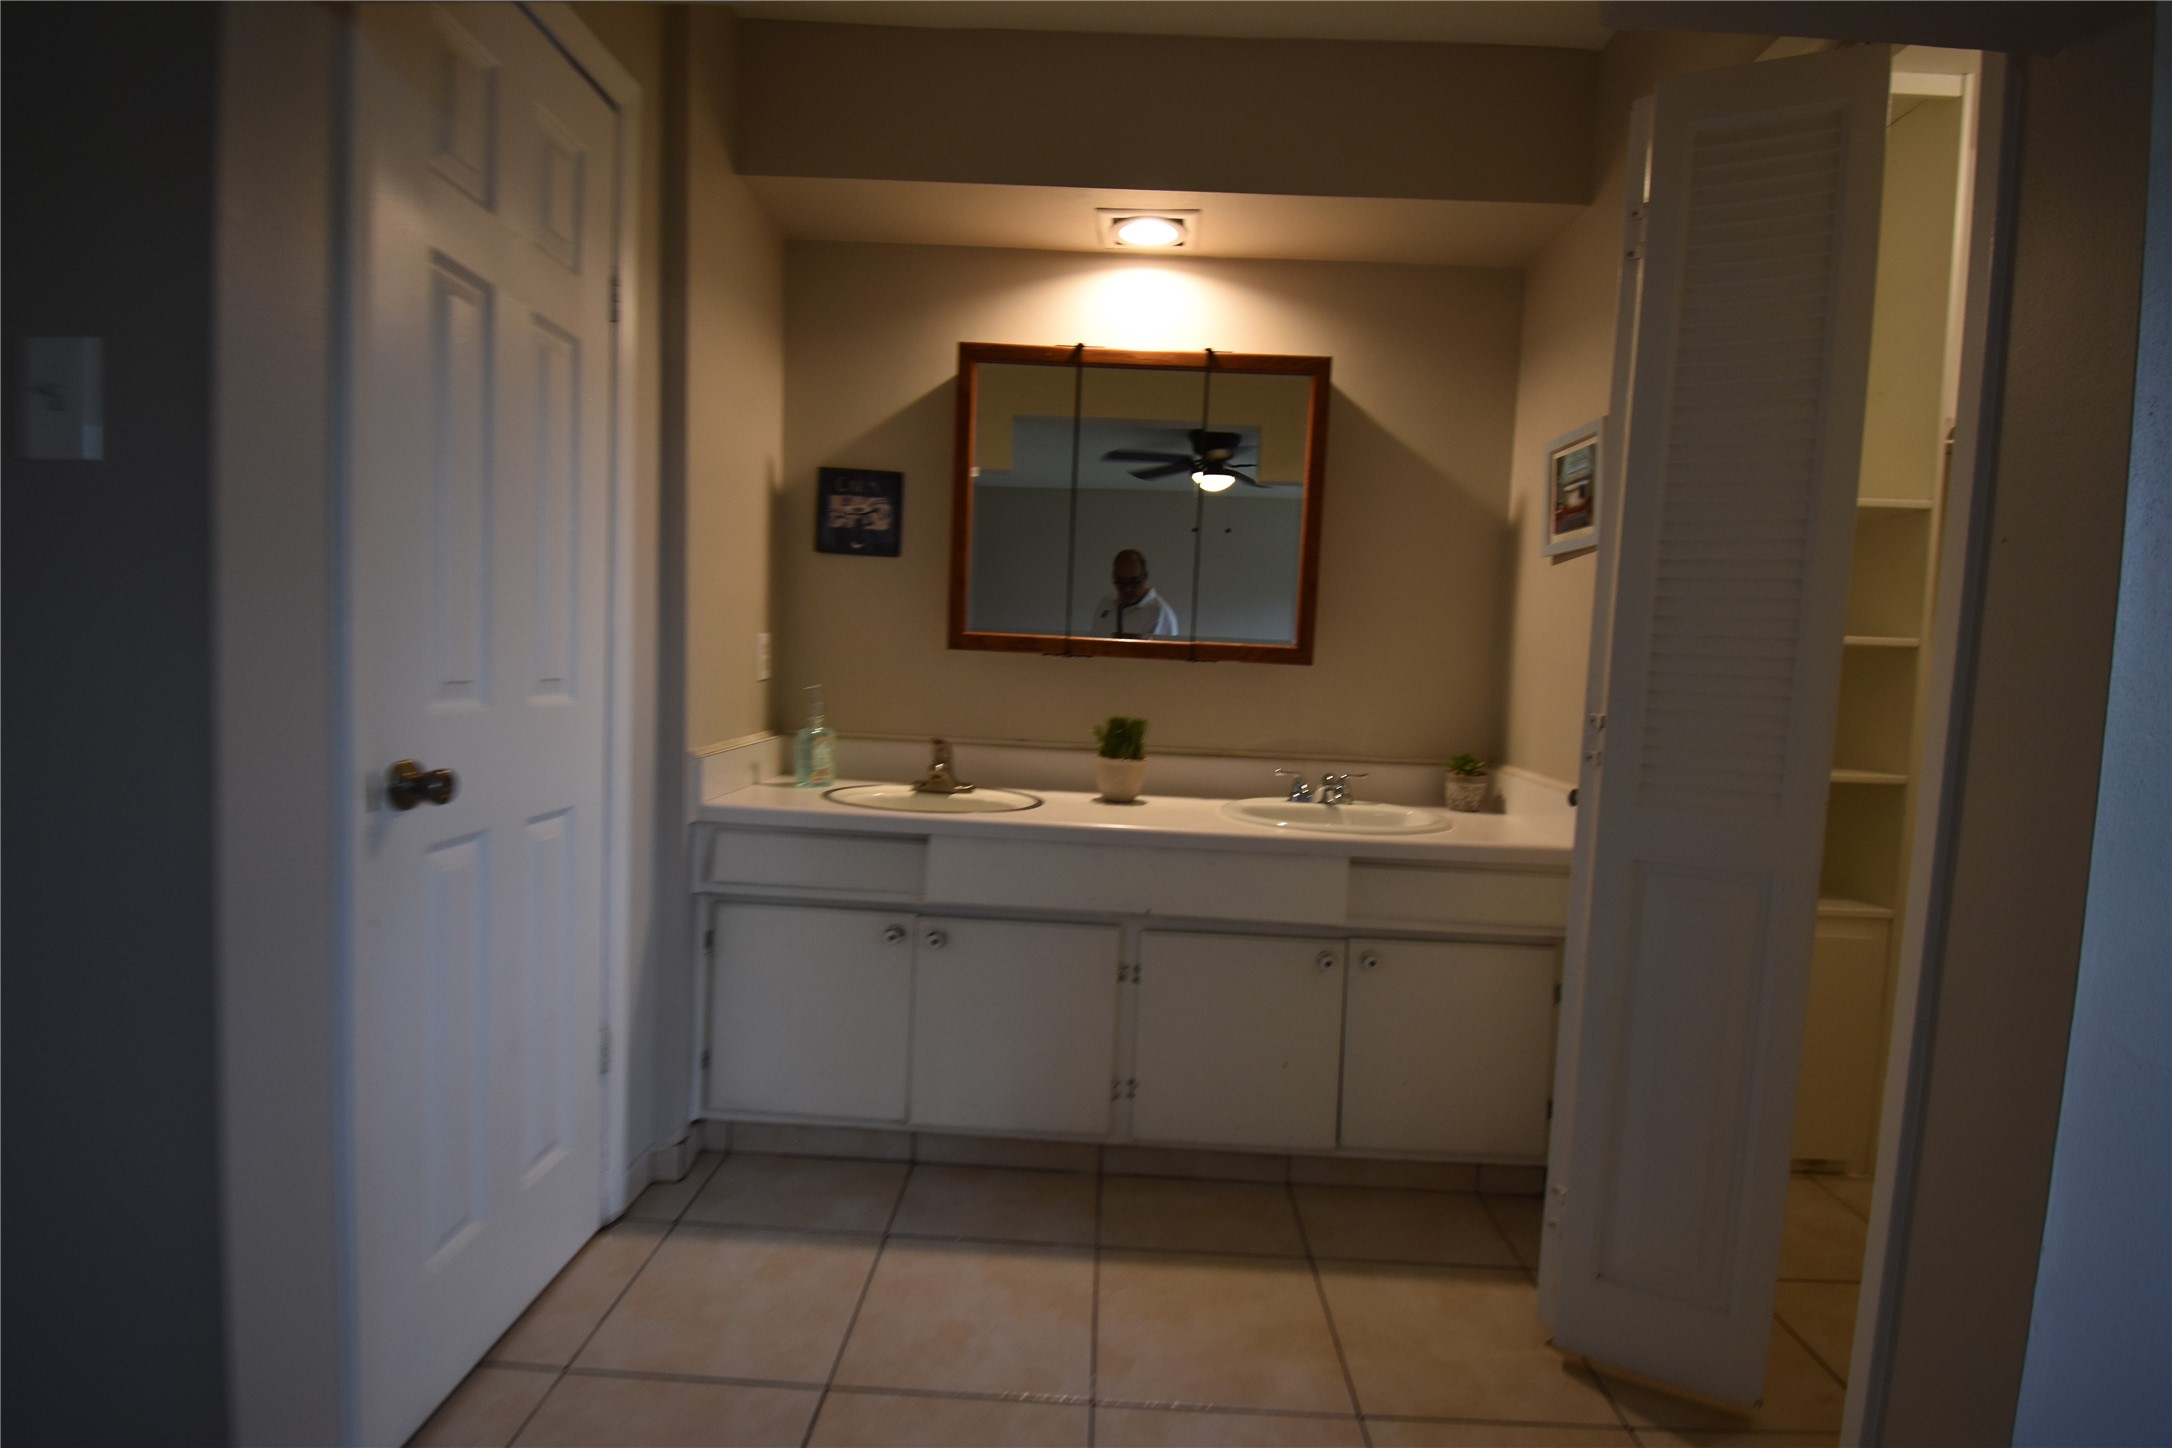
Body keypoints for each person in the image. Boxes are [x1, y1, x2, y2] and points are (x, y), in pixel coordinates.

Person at [1092, 548, 1181, 638]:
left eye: (1134, 582)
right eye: (1121, 582)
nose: (1128, 589)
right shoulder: (1106, 603)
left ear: (1145, 577)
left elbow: (1169, 646)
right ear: (1114, 577)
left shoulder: (1161, 614)